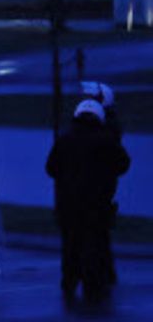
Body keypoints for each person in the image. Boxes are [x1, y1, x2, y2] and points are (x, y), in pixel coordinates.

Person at [46, 99, 130, 302]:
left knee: (70, 243)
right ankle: (93, 284)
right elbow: (123, 164)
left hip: (68, 202)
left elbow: (51, 168)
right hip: (97, 202)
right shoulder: (106, 140)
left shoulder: (64, 139)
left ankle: (69, 281)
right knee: (94, 242)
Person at [80, 80, 123, 283]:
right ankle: (105, 271)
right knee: (99, 230)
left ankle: (101, 271)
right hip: (103, 184)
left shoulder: (107, 127)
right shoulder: (108, 124)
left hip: (100, 186)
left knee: (96, 229)